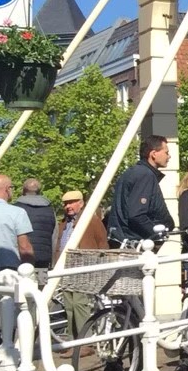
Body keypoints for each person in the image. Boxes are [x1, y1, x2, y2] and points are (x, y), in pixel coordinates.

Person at [53, 189, 109, 340]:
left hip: (83, 267)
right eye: (66, 204)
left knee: (79, 303)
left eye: (71, 203)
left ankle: (85, 341)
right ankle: (73, 340)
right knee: (69, 305)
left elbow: (102, 243)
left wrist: (100, 264)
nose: (68, 206)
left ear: (81, 203)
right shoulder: (64, 223)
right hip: (65, 268)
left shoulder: (91, 220)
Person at [107, 135, 174, 245]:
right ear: (153, 154)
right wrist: (158, 234)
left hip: (128, 239)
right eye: (166, 152)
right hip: (135, 243)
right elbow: (137, 215)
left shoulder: (133, 173)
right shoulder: (144, 175)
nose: (169, 156)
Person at [0, 174, 35, 273]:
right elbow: (24, 247)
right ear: (8, 189)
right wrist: (29, 269)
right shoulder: (18, 212)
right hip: (9, 270)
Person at [16, 179, 57, 270]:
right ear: (39, 191)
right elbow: (54, 237)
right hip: (44, 259)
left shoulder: (16, 208)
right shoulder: (50, 210)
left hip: (21, 260)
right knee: (41, 279)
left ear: (23, 190)